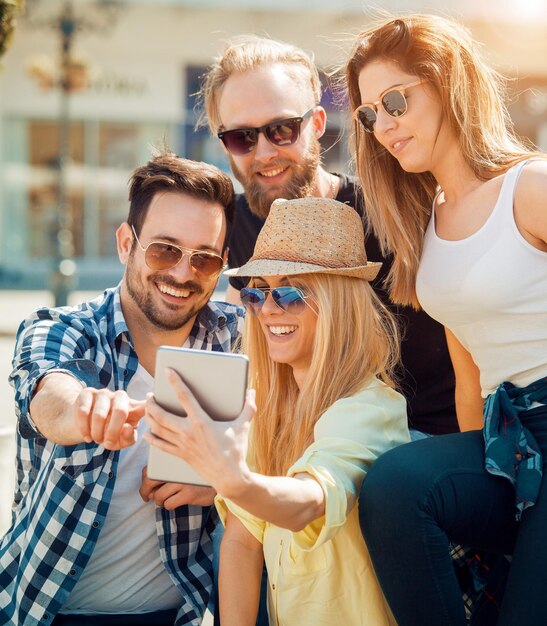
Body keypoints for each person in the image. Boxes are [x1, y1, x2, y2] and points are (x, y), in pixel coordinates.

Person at [345, 13, 547, 626]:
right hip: (506, 440)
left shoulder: (530, 187)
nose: (384, 126)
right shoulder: (428, 220)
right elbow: (469, 370)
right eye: (369, 113)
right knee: (395, 485)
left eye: (396, 100)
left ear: (448, 82)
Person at [1, 151, 243, 626]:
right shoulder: (62, 329)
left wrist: (225, 481)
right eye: (164, 250)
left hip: (177, 616)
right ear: (125, 243)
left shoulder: (239, 340)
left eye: (204, 259)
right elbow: (45, 393)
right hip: (43, 611)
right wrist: (83, 410)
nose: (181, 273)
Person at [144, 197, 410, 626]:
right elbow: (244, 542)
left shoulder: (370, 408)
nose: (268, 309)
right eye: (258, 292)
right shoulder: (268, 406)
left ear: (338, 304)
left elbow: (307, 502)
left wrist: (233, 480)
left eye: (289, 292)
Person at [198, 33, 458, 437]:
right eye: (241, 138)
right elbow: (238, 344)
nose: (264, 152)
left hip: (414, 446)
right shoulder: (235, 222)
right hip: (306, 446)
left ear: (317, 123)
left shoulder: (395, 209)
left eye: (281, 129)